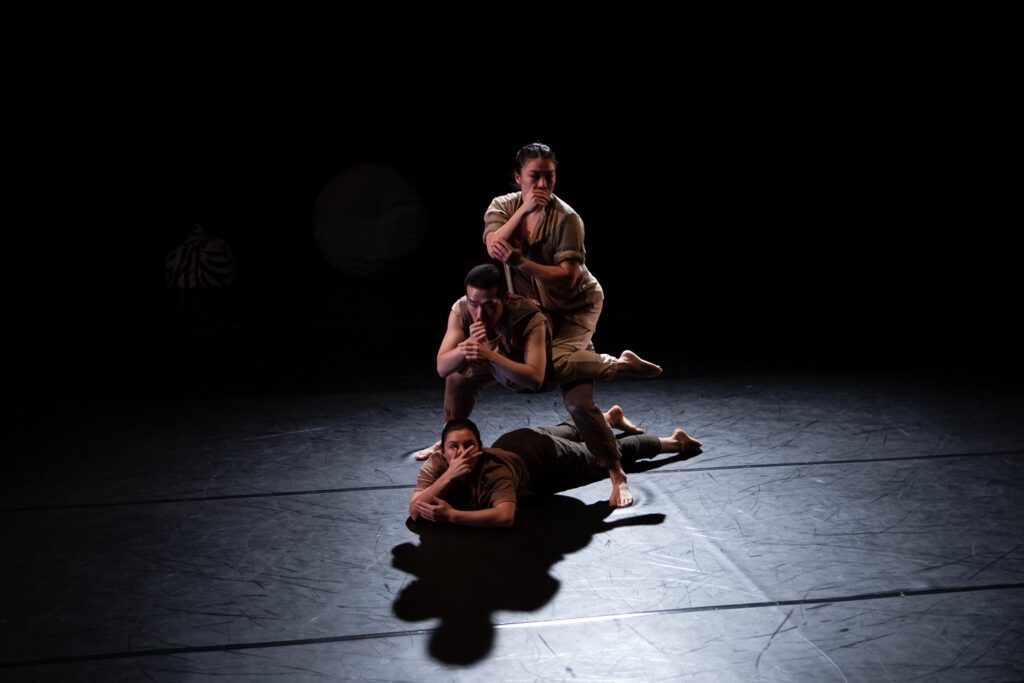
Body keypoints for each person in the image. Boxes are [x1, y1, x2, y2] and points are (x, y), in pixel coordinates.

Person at [483, 142, 660, 508]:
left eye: (550, 176)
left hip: (576, 307)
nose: (543, 184)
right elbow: (494, 246)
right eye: (535, 177)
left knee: (575, 398)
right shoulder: (503, 206)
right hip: (535, 311)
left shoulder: (567, 219)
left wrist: (519, 262)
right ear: (519, 178)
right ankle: (451, 435)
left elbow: (565, 278)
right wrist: (524, 212)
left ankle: (617, 472)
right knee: (464, 370)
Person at [415, 263, 662, 461]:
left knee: (578, 403)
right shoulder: (461, 310)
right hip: (500, 362)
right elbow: (442, 367)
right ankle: (449, 437)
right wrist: (467, 347)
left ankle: (621, 365)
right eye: (474, 304)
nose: (480, 314)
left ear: (505, 299)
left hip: (546, 364)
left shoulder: (529, 317)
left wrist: (490, 355)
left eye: (489, 306)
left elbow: (535, 380)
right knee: (457, 376)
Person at [409, 413, 702, 528]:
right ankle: (607, 418)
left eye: (468, 446)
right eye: (453, 448)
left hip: (548, 458)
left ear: (480, 448)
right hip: (518, 437)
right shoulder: (437, 465)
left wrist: (452, 516)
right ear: (443, 450)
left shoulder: (493, 472)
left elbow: (505, 516)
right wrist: (448, 476)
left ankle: (674, 442)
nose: (461, 454)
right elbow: (414, 509)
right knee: (569, 429)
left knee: (608, 454)